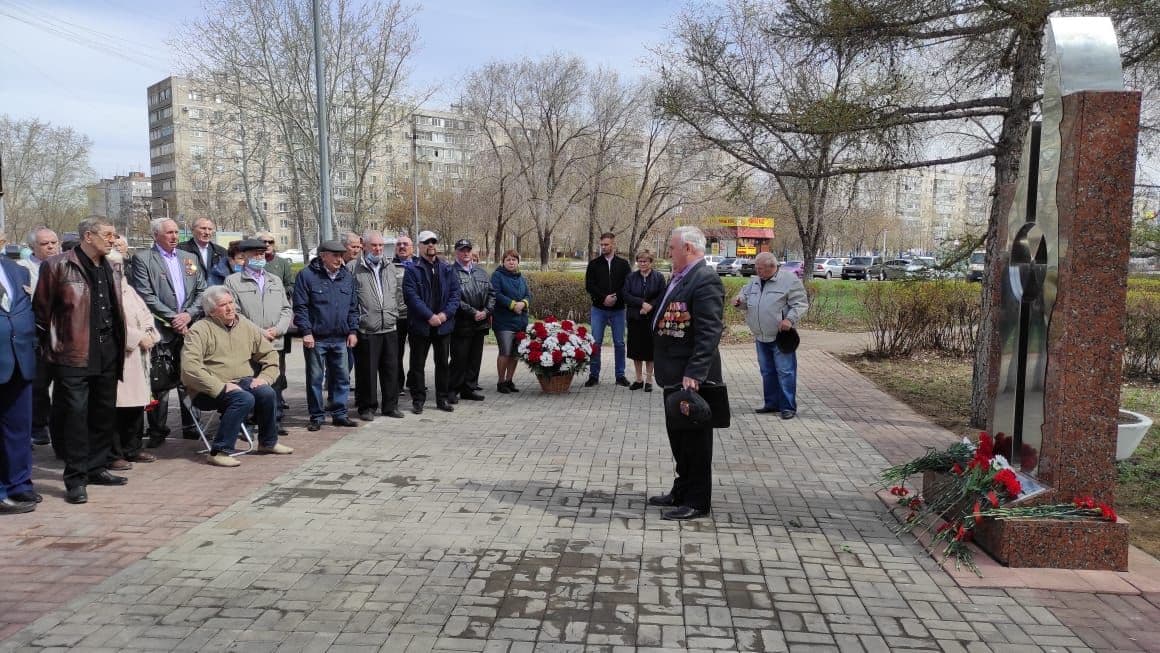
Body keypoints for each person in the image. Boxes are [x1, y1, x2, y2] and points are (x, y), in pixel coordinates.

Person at [34, 217, 129, 505]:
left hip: (108, 351)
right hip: (73, 354)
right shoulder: (58, 265)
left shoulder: (111, 266)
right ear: (89, 236)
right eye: (108, 235)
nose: (113, 240)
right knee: (75, 416)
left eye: (114, 236)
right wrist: (49, 352)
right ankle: (75, 478)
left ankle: (96, 467)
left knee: (103, 414)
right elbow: (41, 313)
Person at [648, 226, 725, 521]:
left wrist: (695, 371)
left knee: (694, 441)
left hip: (691, 377)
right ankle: (681, 490)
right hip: (674, 373)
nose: (669, 253)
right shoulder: (682, 277)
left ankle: (697, 501)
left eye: (671, 248)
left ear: (688, 249)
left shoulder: (704, 279)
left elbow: (709, 331)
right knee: (679, 438)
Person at [182, 287, 294, 466]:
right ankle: (219, 451)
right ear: (211, 311)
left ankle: (267, 443)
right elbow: (190, 368)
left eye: (231, 302)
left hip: (241, 381)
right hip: (207, 389)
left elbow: (270, 354)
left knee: (267, 393)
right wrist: (221, 386)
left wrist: (265, 377)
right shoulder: (199, 330)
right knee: (243, 398)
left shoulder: (244, 324)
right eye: (222, 305)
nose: (229, 308)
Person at [131, 218, 207, 447]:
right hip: (160, 330)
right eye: (169, 233)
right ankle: (157, 430)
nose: (175, 236)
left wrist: (188, 315)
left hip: (187, 329)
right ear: (156, 236)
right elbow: (145, 294)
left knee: (190, 377)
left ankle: (191, 425)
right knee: (159, 383)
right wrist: (174, 317)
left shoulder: (189, 258)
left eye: (176, 232)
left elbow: (202, 291)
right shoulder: (143, 259)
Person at [223, 239, 293, 434]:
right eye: (255, 254)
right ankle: (247, 424)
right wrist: (260, 332)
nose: (259, 257)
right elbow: (235, 313)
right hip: (249, 343)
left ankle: (273, 422)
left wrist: (277, 330)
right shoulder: (233, 281)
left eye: (262, 254)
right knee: (249, 383)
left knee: (275, 383)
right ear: (243, 257)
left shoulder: (274, 280)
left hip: (274, 342)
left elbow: (286, 309)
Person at [293, 239, 360, 431]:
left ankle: (339, 414)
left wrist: (353, 330)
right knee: (315, 378)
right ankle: (316, 416)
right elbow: (301, 307)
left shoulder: (346, 277)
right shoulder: (307, 276)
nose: (339, 260)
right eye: (335, 256)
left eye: (341, 255)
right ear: (323, 256)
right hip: (317, 338)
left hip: (340, 338)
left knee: (342, 378)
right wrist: (306, 332)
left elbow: (353, 308)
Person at [734, 252, 809, 419]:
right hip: (760, 335)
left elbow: (801, 303)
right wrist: (739, 302)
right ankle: (771, 404)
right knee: (767, 371)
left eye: (760, 269)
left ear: (772, 267)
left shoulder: (789, 280)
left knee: (785, 371)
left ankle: (788, 407)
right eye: (756, 268)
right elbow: (744, 299)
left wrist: (790, 319)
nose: (757, 271)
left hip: (780, 336)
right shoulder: (754, 282)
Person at [107, 246, 159, 469]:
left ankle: (133, 447)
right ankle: (114, 453)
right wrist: (137, 337)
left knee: (137, 405)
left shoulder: (128, 289)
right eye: (113, 265)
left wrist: (149, 334)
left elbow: (146, 314)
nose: (118, 269)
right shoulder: (104, 289)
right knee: (118, 407)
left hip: (139, 357)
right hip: (119, 356)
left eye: (120, 265)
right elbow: (111, 321)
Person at [0, 233, 40, 513]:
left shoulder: (16, 270)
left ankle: (19, 483)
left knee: (18, 428)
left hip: (20, 359)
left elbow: (26, 310)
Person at [402, 230, 460, 414]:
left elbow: (455, 295)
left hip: (443, 325)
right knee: (417, 364)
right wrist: (429, 316)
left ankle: (442, 399)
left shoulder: (447, 268)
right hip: (421, 326)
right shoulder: (412, 269)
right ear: (419, 246)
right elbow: (411, 297)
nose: (431, 245)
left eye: (433, 242)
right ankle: (418, 399)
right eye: (427, 242)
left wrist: (443, 316)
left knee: (442, 363)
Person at [349, 231, 405, 421]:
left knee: (391, 369)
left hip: (389, 326)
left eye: (380, 245)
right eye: (374, 245)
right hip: (367, 328)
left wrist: (395, 313)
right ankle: (367, 407)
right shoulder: (353, 268)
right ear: (363, 245)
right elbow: (350, 300)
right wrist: (356, 324)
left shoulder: (390, 267)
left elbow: (396, 294)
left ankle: (391, 406)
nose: (378, 249)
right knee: (367, 371)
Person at [18, 227, 59, 448]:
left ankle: (58, 426)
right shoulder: (23, 270)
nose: (51, 247)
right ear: (33, 247)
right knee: (38, 385)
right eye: (45, 244)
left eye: (54, 242)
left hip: (63, 336)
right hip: (36, 337)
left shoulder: (65, 265)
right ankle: (38, 426)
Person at [584, 232, 632, 388]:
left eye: (606, 244)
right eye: (602, 244)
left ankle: (620, 376)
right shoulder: (594, 264)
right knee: (596, 342)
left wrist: (616, 297)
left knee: (619, 343)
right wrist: (603, 298)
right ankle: (593, 375)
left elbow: (627, 285)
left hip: (618, 310)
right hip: (599, 309)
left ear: (613, 244)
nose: (603, 247)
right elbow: (589, 285)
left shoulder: (623, 264)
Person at [449, 239, 494, 403]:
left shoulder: (481, 272)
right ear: (456, 252)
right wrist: (472, 312)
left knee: (475, 360)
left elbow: (492, 294)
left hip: (480, 324)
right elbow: (452, 297)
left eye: (468, 249)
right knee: (459, 359)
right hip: (461, 323)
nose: (466, 253)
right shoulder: (450, 272)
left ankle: (469, 388)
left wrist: (486, 311)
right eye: (462, 250)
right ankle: (452, 389)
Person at [255, 231, 295, 411]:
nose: (267, 244)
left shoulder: (282, 263)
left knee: (279, 363)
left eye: (270, 241)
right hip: (256, 327)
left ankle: (278, 397)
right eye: (263, 242)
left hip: (277, 321)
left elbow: (291, 285)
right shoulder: (250, 264)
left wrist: (279, 291)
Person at [622, 249, 666, 392]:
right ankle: (638, 379)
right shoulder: (631, 277)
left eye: (645, 261)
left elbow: (662, 295)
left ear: (651, 262)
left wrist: (650, 306)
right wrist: (641, 303)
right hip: (635, 318)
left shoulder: (658, 277)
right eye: (640, 261)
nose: (642, 264)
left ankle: (648, 380)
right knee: (636, 350)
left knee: (649, 351)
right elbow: (625, 295)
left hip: (651, 319)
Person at [490, 250, 530, 394]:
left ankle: (509, 380)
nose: (511, 262)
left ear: (518, 262)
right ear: (503, 262)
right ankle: (501, 382)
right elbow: (496, 294)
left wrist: (524, 303)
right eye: (508, 259)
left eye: (514, 259)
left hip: (520, 321)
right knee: (505, 352)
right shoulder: (497, 276)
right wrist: (513, 305)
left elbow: (528, 294)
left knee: (514, 353)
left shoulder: (520, 277)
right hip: (504, 321)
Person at [392, 235, 416, 394]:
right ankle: (397, 384)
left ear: (412, 248)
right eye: (399, 244)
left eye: (405, 244)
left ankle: (414, 382)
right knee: (396, 353)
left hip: (416, 316)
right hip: (396, 316)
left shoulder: (419, 265)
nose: (402, 246)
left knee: (417, 352)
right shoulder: (388, 266)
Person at [178, 217, 228, 284]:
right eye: (203, 228)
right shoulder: (181, 250)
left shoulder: (221, 251)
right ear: (193, 230)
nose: (207, 232)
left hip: (215, 292)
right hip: (192, 292)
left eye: (210, 229)